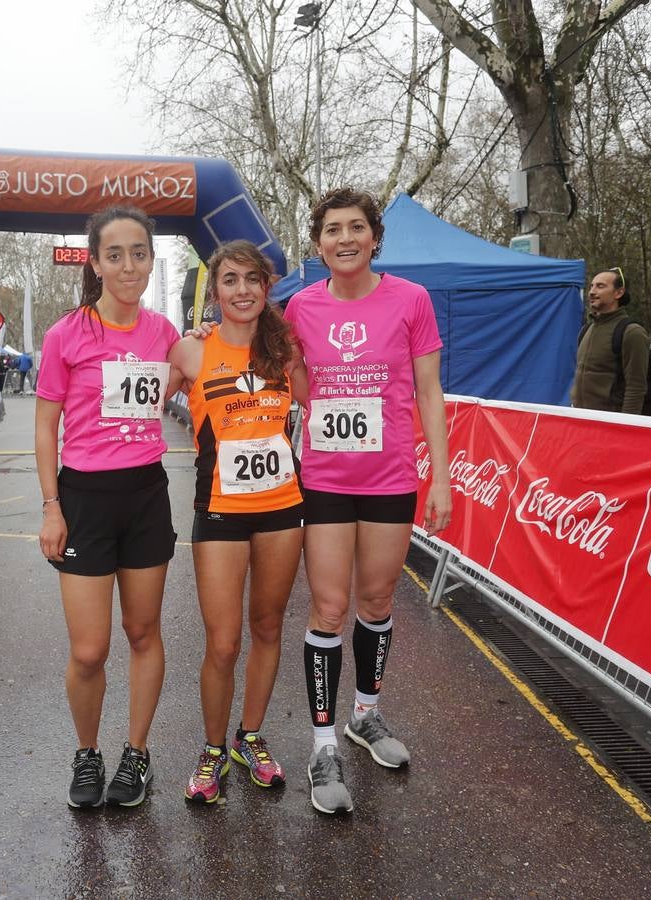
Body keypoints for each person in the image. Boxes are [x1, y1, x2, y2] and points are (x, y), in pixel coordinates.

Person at [283, 187, 452, 815]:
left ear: (375, 237)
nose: (345, 238)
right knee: (328, 608)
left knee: (377, 599)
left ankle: (366, 715)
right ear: (319, 242)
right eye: (332, 229)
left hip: (390, 479)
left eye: (356, 227)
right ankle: (323, 742)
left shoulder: (411, 300)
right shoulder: (300, 306)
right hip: (325, 479)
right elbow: (297, 383)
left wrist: (441, 478)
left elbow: (430, 392)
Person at [35, 205, 180, 809]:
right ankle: (88, 752)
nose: (128, 265)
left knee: (143, 632)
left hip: (146, 495)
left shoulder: (166, 334)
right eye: (114, 254)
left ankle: (136, 753)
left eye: (139, 253)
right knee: (90, 648)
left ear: (151, 260)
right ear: (95, 262)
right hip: (84, 500)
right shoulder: (66, 334)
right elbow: (45, 428)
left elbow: (203, 377)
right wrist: (51, 506)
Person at [166, 240, 303, 803]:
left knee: (268, 628)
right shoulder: (191, 351)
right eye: (230, 280)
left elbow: (325, 401)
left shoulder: (287, 348)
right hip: (219, 507)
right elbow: (139, 410)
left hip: (282, 507)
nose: (242, 289)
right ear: (214, 291)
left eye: (252, 278)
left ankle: (251, 737)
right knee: (223, 643)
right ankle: (213, 748)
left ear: (266, 287)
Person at [572, 268, 650, 413]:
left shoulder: (632, 332)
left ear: (619, 293)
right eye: (592, 286)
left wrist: (624, 428)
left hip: (609, 425)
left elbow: (636, 387)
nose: (592, 292)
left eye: (600, 286)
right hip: (580, 421)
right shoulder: (586, 330)